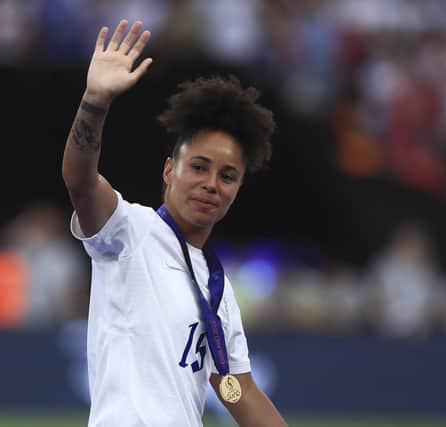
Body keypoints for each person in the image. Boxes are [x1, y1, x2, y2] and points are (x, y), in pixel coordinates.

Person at [62, 19, 287, 427]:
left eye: (228, 176)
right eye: (198, 167)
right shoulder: (129, 231)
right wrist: (94, 102)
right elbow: (80, 182)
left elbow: (241, 390)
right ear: (169, 170)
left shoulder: (218, 288)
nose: (211, 185)